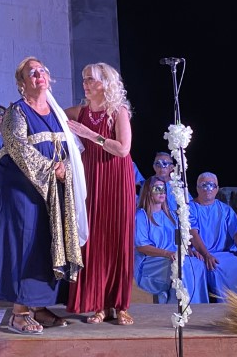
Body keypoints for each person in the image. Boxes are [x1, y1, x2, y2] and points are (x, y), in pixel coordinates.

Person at [0, 56, 87, 335]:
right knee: (24, 242)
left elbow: (73, 149)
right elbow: (18, 149)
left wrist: (66, 168)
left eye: (42, 70)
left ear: (49, 78)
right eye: (32, 73)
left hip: (52, 189)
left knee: (46, 241)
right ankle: (19, 313)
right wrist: (53, 169)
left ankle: (39, 306)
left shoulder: (57, 113)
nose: (38, 75)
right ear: (22, 83)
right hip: (21, 189)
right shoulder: (15, 112)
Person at [65, 62, 136, 325]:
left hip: (116, 179)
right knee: (93, 239)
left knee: (117, 238)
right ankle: (98, 304)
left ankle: (120, 305)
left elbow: (123, 149)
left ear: (105, 83)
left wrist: (89, 134)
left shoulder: (118, 112)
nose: (84, 83)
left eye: (90, 79)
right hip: (91, 178)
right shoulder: (79, 111)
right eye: (84, 78)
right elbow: (52, 116)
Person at [188, 171, 237, 302]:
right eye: (204, 185)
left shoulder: (225, 209)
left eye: (212, 185)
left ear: (217, 189)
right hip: (201, 253)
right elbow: (193, 234)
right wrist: (206, 254)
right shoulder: (190, 208)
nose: (208, 189)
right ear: (197, 188)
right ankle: (220, 305)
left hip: (224, 252)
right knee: (214, 266)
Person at [134, 176, 209, 304]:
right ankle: (180, 306)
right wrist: (167, 253)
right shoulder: (141, 215)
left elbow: (179, 241)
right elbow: (142, 246)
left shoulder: (171, 215)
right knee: (179, 266)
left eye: (163, 189)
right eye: (157, 189)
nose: (162, 192)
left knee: (197, 263)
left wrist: (190, 250)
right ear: (148, 191)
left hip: (173, 256)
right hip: (151, 261)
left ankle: (198, 306)